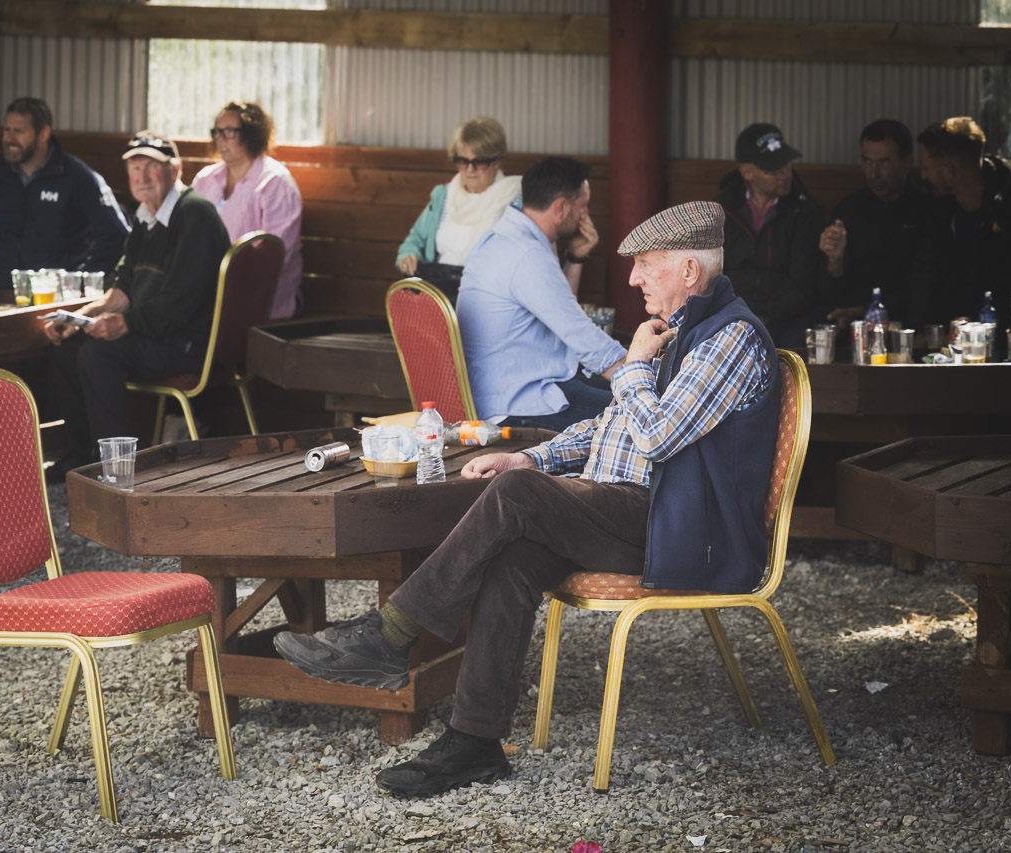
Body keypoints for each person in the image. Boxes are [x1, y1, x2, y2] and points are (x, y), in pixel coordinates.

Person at [274, 200, 778, 797]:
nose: (634, 278)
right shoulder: (676, 334)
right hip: (626, 508)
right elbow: (610, 428)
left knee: (515, 498)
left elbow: (658, 434)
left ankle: (393, 634)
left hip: (682, 527)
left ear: (690, 273)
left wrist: (631, 368)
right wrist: (530, 458)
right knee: (512, 556)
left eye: (647, 264)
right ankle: (474, 742)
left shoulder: (729, 339)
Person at [44, 131, 230, 477]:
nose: (142, 177)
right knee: (66, 347)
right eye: (134, 168)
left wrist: (123, 324)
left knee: (98, 353)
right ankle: (83, 456)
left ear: (175, 170)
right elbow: (123, 286)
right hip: (156, 335)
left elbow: (180, 304)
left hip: (187, 343)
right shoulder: (146, 215)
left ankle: (117, 468)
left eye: (151, 167)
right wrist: (81, 317)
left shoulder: (195, 214)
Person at [457, 157, 623, 432]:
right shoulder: (527, 255)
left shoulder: (508, 236)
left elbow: (555, 312)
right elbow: (582, 337)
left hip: (516, 385)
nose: (585, 214)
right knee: (640, 412)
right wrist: (645, 375)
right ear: (560, 208)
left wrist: (576, 258)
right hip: (515, 405)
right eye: (582, 206)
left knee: (617, 392)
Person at [0, 96, 129, 290]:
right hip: (2, 287)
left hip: (55, 294)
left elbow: (116, 234)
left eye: (19, 131)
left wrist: (81, 282)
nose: (9, 138)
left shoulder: (77, 176)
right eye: (7, 130)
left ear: (43, 134)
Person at [818, 119, 946, 333]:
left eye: (883, 162)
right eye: (867, 161)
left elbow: (929, 284)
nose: (873, 172)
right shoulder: (849, 209)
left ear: (906, 163)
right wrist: (835, 260)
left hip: (908, 327)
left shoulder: (928, 210)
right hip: (854, 328)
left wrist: (865, 311)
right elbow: (827, 290)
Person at [715, 123, 823, 348]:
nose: (785, 175)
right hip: (732, 315)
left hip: (786, 318)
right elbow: (714, 274)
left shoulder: (805, 210)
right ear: (747, 172)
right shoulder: (722, 209)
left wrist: (761, 317)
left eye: (786, 165)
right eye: (773, 169)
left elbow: (804, 283)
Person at [191, 101, 303, 319]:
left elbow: (275, 255)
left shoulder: (275, 182)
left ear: (252, 135)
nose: (220, 139)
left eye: (230, 132)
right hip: (207, 289)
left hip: (260, 297)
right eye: (217, 131)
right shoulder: (205, 178)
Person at [396, 117, 528, 302]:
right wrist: (408, 256)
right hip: (438, 297)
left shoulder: (516, 201)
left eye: (479, 162)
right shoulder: (443, 196)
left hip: (489, 298)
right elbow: (413, 241)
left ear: (497, 161)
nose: (470, 169)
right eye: (462, 161)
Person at [916, 116, 1011, 323]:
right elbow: (928, 282)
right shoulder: (939, 211)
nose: (922, 176)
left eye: (926, 167)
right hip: (951, 345)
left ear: (949, 171)